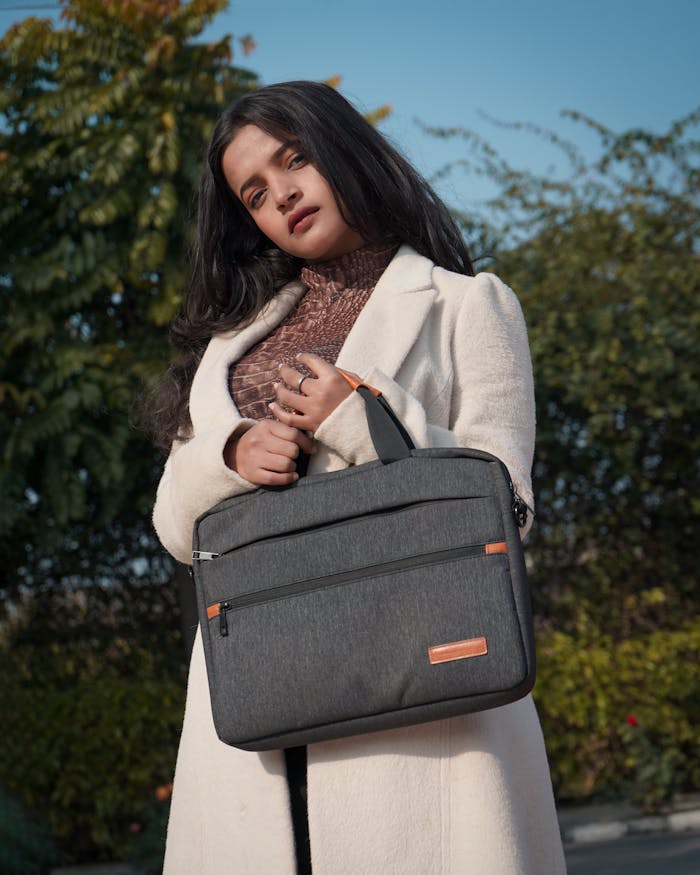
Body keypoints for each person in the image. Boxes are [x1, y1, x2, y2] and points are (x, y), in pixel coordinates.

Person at [149, 80, 567, 874]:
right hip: (255, 700)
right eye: (256, 192)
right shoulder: (231, 343)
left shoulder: (465, 304)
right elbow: (175, 525)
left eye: (296, 158)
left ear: (345, 148)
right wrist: (231, 455)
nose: (283, 195)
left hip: (421, 686)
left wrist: (360, 416)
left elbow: (504, 499)